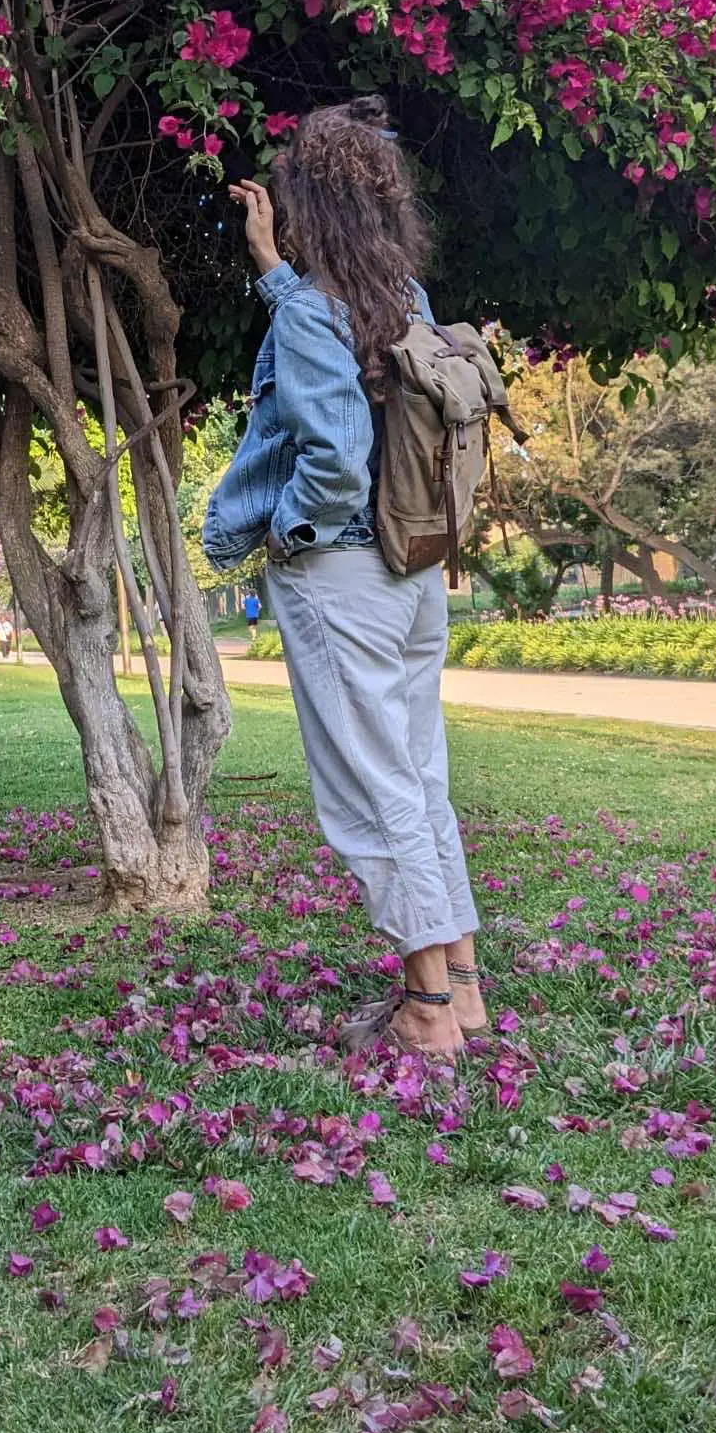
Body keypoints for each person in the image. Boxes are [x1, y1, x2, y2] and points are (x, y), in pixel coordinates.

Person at [202, 98, 484, 1060]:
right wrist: (272, 271)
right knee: (419, 775)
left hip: (341, 573)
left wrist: (286, 531)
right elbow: (349, 360)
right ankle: (463, 988)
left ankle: (425, 1011)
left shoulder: (309, 314)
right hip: (411, 570)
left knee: (371, 789)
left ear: (308, 208)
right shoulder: (407, 300)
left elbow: (332, 456)